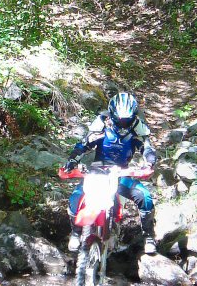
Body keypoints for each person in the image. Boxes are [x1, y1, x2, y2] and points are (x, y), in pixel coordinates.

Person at [64, 92, 158, 254]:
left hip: (121, 172)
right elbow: (84, 144)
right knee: (76, 197)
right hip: (98, 170)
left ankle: (149, 236)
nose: (123, 123)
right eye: (120, 119)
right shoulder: (102, 124)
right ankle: (76, 232)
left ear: (133, 116)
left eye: (126, 120)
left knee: (144, 196)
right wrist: (73, 160)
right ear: (112, 114)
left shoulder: (137, 128)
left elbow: (147, 148)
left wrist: (149, 162)